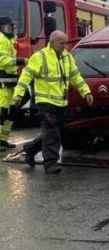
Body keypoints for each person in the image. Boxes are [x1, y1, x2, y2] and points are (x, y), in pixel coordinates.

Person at [13, 31, 94, 173]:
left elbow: (76, 77)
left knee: (57, 130)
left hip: (61, 102)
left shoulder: (67, 57)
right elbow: (26, 76)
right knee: (52, 132)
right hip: (45, 102)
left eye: (65, 43)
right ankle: (50, 164)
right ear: (52, 41)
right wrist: (18, 94)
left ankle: (30, 149)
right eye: (61, 43)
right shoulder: (40, 57)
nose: (64, 46)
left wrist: (85, 92)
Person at [0, 16, 26, 150]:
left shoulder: (10, 40)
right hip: (2, 84)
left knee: (10, 114)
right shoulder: (2, 39)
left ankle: (3, 140)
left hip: (10, 82)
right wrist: (21, 61)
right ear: (2, 26)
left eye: (13, 25)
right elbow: (3, 61)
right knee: (2, 113)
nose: (12, 28)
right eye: (10, 25)